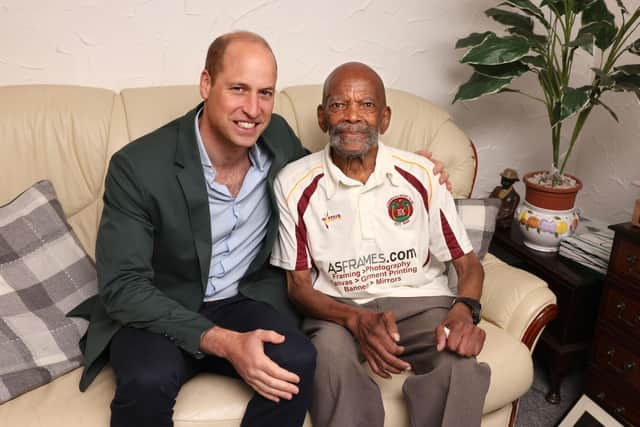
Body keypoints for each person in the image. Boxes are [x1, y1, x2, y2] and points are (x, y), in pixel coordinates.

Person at [68, 32, 450, 427]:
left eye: (265, 93)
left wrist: (409, 170)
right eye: (238, 89)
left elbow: (329, 180)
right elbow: (123, 287)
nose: (253, 109)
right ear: (206, 84)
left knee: (298, 360)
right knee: (148, 379)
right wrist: (225, 342)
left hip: (241, 299)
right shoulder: (137, 166)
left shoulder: (278, 138)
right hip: (160, 305)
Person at [270, 62, 491, 427]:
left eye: (367, 106)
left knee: (459, 368)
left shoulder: (421, 174)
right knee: (328, 359)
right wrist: (356, 319)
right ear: (322, 117)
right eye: (339, 105)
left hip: (422, 306)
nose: (353, 117)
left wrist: (464, 312)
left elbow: (467, 264)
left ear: (384, 118)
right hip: (338, 312)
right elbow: (298, 288)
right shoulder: (294, 183)